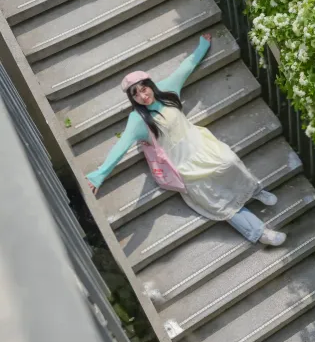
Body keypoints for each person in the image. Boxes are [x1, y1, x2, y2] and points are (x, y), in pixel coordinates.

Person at [86, 33, 287, 246]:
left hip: (201, 145)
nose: (143, 96)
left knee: (229, 162)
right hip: (183, 164)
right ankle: (260, 232)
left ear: (150, 85)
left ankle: (255, 191)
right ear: (133, 99)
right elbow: (120, 147)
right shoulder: (137, 120)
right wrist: (98, 176)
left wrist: (202, 45)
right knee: (215, 200)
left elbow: (186, 67)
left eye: (144, 89)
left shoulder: (167, 89)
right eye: (136, 95)